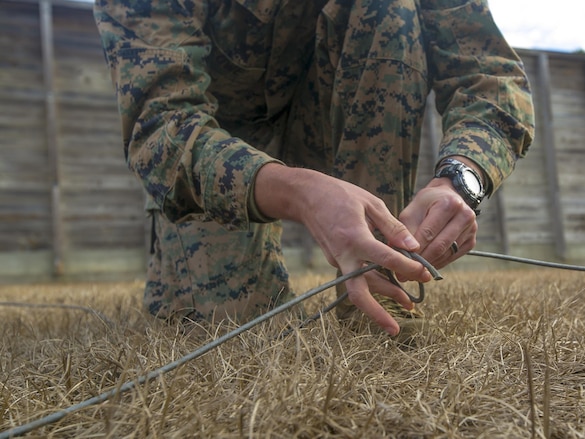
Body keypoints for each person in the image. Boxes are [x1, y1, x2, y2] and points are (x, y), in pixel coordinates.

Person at [94, 0, 534, 337]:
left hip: (336, 119)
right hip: (220, 152)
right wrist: (301, 192)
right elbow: (161, 129)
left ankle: (376, 281)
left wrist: (460, 179)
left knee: (390, 10)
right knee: (235, 335)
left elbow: (488, 76)